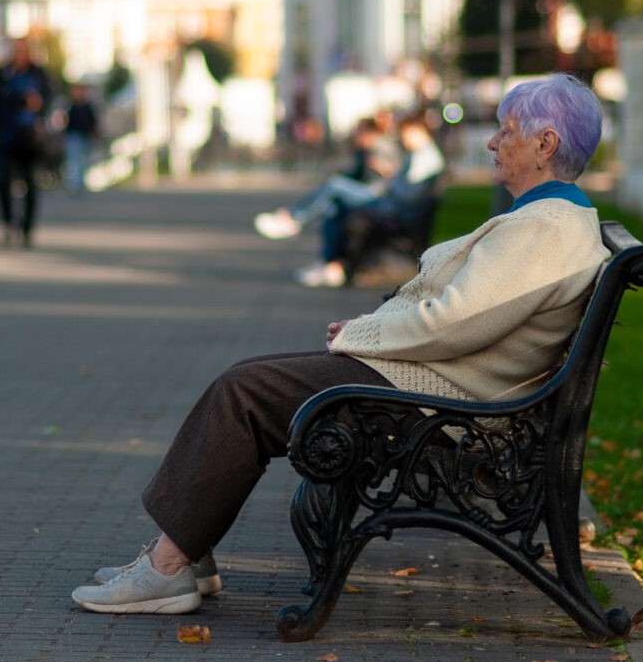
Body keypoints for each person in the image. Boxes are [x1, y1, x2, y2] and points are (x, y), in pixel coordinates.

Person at [71, 73, 609, 615]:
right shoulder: (551, 220)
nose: (493, 142)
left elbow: (454, 322)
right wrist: (368, 330)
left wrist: (362, 333)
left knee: (244, 391)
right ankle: (188, 554)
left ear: (546, 144)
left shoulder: (545, 228)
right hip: (437, 386)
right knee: (250, 376)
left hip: (438, 403)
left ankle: (168, 568)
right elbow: (462, 318)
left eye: (506, 131)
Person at [294, 116, 445, 288]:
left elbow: (408, 194)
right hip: (395, 206)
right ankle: (332, 264)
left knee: (337, 191)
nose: (403, 138)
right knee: (335, 207)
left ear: (417, 131)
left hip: (395, 210)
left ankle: (298, 221)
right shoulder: (421, 155)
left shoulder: (424, 158)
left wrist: (389, 179)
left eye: (405, 133)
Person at [253, 116, 401, 241]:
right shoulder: (364, 151)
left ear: (369, 133)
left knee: (334, 185)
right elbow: (356, 174)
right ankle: (332, 263)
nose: (355, 137)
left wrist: (385, 169)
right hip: (366, 191)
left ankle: (294, 218)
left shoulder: (383, 147)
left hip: (377, 196)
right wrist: (340, 171)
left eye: (358, 133)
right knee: (331, 210)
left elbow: (397, 175)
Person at [0, 37, 53, 247]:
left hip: (30, 139)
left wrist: (37, 103)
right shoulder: (3, 75)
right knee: (2, 180)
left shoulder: (38, 74)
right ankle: (8, 223)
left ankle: (27, 228)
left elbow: (49, 100)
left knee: (30, 184)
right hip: (6, 136)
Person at [62, 84, 99, 194]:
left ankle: (81, 183)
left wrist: (94, 133)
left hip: (85, 136)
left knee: (83, 160)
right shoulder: (71, 106)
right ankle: (74, 183)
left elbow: (93, 122)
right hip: (73, 136)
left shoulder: (87, 107)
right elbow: (66, 121)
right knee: (74, 160)